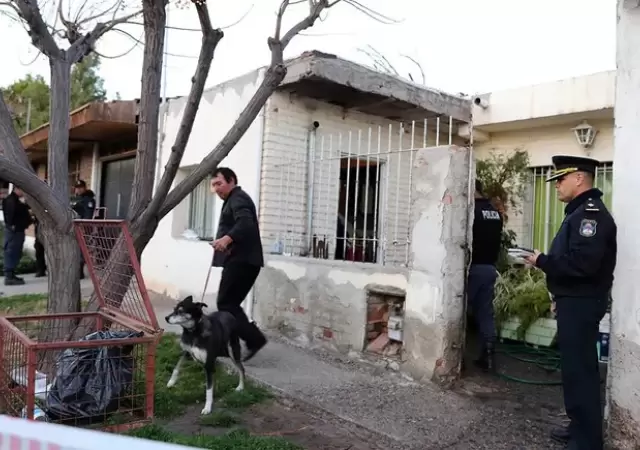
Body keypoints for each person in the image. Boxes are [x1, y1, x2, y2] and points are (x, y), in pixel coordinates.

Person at [524, 155, 616, 450]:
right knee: (574, 369)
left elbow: (583, 266)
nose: (556, 186)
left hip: (582, 302)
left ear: (579, 178)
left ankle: (588, 440)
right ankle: (578, 426)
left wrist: (543, 261)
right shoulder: (578, 212)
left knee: (582, 371)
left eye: (560, 179)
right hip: (573, 300)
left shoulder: (590, 215)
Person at [210, 167, 267, 362]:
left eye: (219, 183)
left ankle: (253, 339)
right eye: (213, 185)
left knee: (226, 304)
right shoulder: (233, 199)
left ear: (231, 180)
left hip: (242, 261)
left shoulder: (238, 198)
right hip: (242, 260)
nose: (216, 189)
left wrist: (226, 239)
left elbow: (246, 223)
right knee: (229, 304)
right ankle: (230, 344)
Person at [467, 179, 503, 373]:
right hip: (489, 268)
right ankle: (488, 357)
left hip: (472, 269)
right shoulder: (495, 213)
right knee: (485, 313)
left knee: (460, 312)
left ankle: (457, 359)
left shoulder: (470, 212)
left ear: (473, 191)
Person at [2, 186, 32, 286]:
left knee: (15, 252)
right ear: (17, 189)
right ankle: (9, 277)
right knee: (12, 251)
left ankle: (11, 274)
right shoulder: (11, 201)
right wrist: (13, 227)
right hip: (14, 232)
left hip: (17, 231)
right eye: (22, 190)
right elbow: (11, 217)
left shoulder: (15, 200)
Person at [71, 180, 96, 279]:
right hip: (73, 227)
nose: (78, 189)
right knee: (75, 249)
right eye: (77, 187)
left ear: (84, 188)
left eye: (80, 187)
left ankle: (79, 272)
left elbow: (88, 215)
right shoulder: (76, 199)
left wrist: (84, 226)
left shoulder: (89, 199)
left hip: (83, 228)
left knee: (81, 250)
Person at [31, 209, 46, 278]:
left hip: (47, 232)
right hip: (39, 233)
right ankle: (40, 270)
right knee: (39, 251)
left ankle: (41, 270)